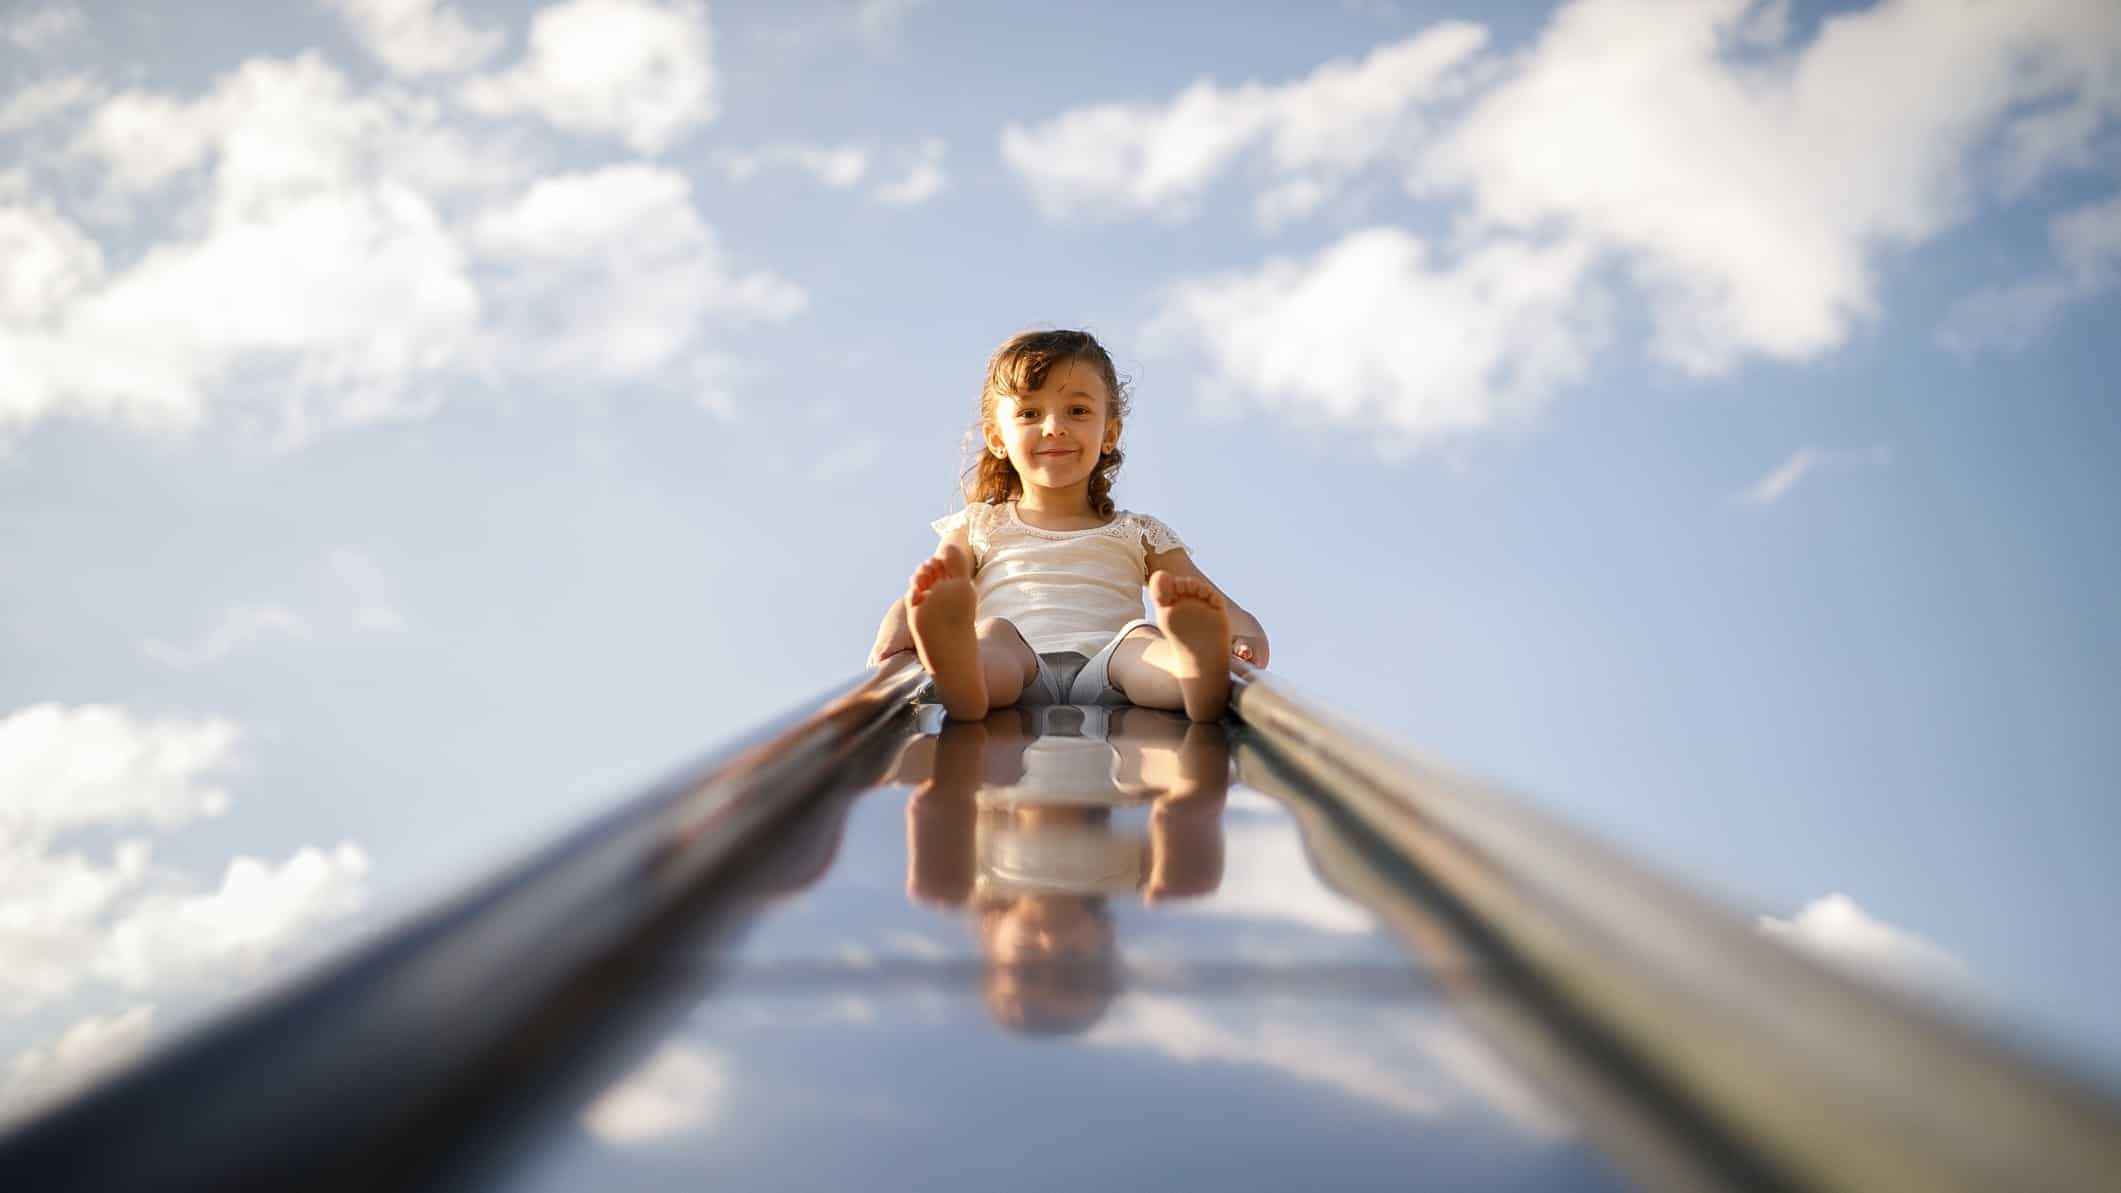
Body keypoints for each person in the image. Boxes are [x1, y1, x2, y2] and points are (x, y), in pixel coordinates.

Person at [867, 329, 1271, 723]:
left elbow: (1222, 609)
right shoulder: (980, 524)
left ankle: (1194, 675)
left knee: (1141, 640)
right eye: (1029, 413)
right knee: (994, 633)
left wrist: (1246, 643)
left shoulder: (1139, 533)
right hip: (1020, 668)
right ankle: (965, 679)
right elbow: (934, 586)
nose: (1054, 427)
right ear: (997, 439)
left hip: (1112, 673)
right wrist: (896, 633)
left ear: (1109, 433)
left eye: (1077, 411)